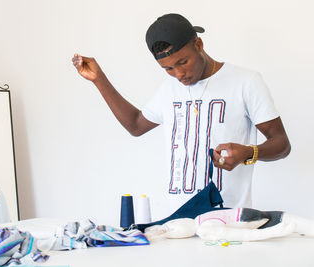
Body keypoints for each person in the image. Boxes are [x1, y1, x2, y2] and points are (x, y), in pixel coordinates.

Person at [72, 13, 291, 213]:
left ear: (199, 44)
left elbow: (281, 144)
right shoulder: (170, 89)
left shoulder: (245, 81)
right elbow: (136, 126)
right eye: (168, 69)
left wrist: (248, 152)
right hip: (180, 223)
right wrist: (98, 80)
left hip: (230, 220)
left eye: (183, 62)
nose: (179, 74)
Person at [143, 208, 314, 242]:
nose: (174, 223)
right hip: (270, 223)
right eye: (171, 229)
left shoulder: (200, 219)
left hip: (267, 216)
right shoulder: (205, 230)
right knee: (300, 224)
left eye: (171, 223)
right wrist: (277, 231)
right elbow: (246, 236)